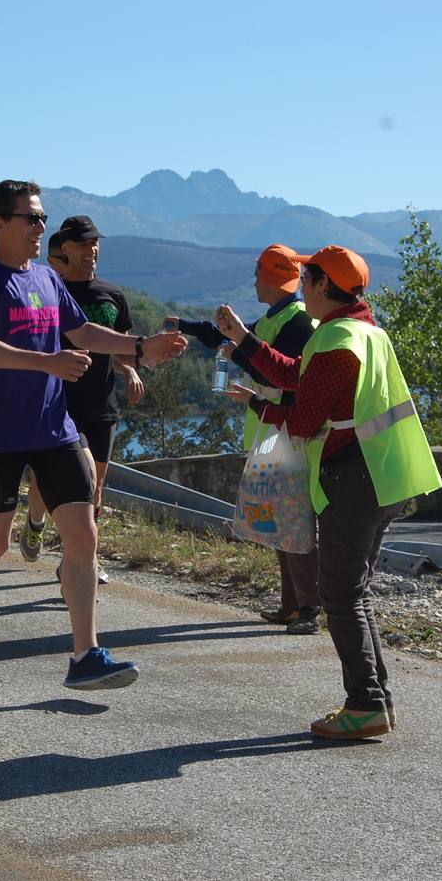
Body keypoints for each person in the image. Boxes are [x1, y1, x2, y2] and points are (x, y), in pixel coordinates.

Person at [0, 180, 186, 691]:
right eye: (31, 219)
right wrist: (46, 362)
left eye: (41, 218)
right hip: (0, 434)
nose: (40, 228)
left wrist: (142, 347)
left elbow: (85, 334)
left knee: (83, 534)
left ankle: (85, 655)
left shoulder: (46, 281)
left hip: (56, 429)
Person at [215, 245, 442, 739]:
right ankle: (375, 700)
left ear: (321, 286)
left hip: (356, 478)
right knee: (351, 590)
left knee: (338, 592)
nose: (299, 283)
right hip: (385, 474)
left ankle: (364, 703)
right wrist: (245, 341)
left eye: (305, 276)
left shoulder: (338, 341)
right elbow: (295, 375)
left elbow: (301, 419)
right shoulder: (362, 330)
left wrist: (260, 405)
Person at [168, 244, 322, 634]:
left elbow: (279, 376)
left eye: (257, 274)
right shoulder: (278, 317)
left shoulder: (298, 322)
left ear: (270, 278)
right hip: (273, 431)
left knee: (293, 521)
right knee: (279, 521)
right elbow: (230, 337)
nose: (253, 280)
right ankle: (292, 605)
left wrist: (235, 355)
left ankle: (308, 607)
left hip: (288, 431)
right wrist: (185, 325)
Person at [19, 217, 144, 586]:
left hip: (99, 405)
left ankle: (78, 560)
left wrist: (129, 370)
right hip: (57, 404)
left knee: (94, 487)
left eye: (95, 243)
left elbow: (118, 346)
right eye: (84, 244)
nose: (92, 250)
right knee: (47, 482)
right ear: (64, 248)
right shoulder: (47, 290)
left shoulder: (112, 294)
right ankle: (36, 522)